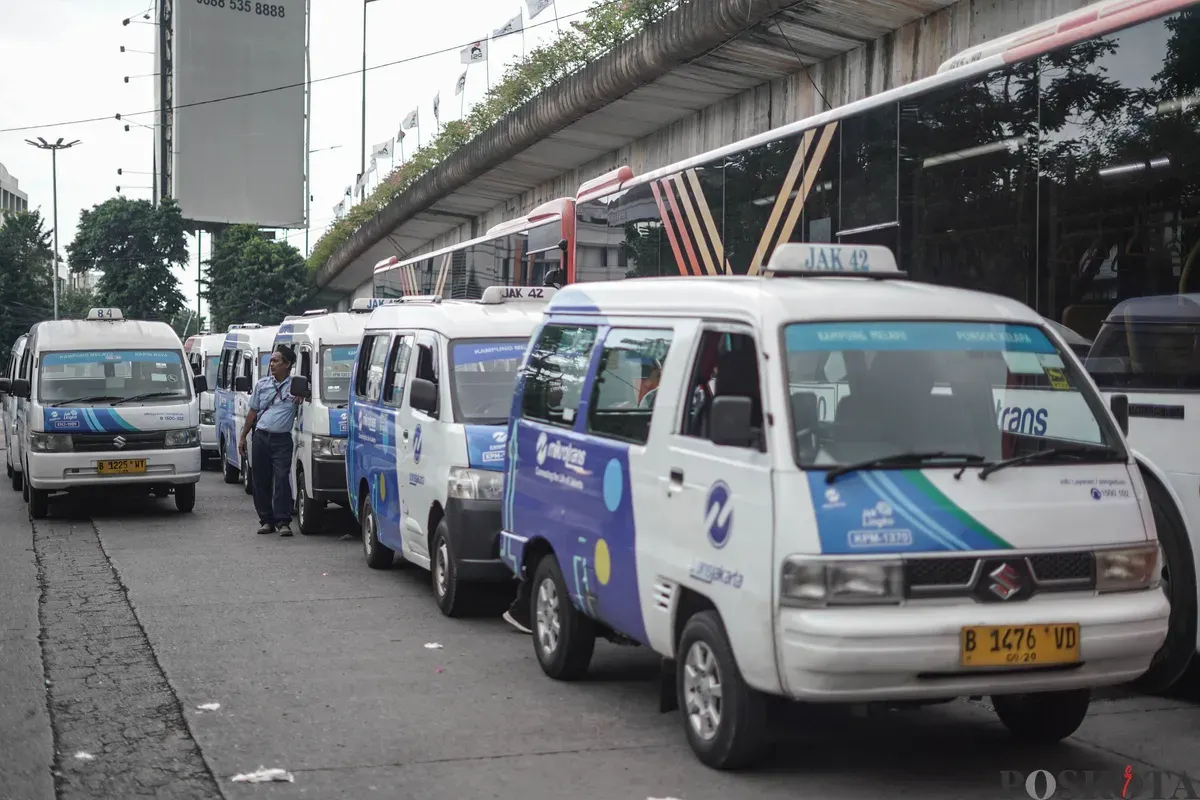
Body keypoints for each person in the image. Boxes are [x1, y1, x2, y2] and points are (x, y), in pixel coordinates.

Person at [239, 345, 303, 537]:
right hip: (261, 437)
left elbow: (307, 399)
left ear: (287, 364)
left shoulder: (296, 386)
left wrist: (303, 395)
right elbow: (253, 412)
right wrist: (243, 436)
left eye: (276, 361)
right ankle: (266, 520)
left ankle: (283, 521)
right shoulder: (262, 385)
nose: (272, 364)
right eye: (271, 361)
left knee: (282, 478)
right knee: (260, 480)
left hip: (282, 440)